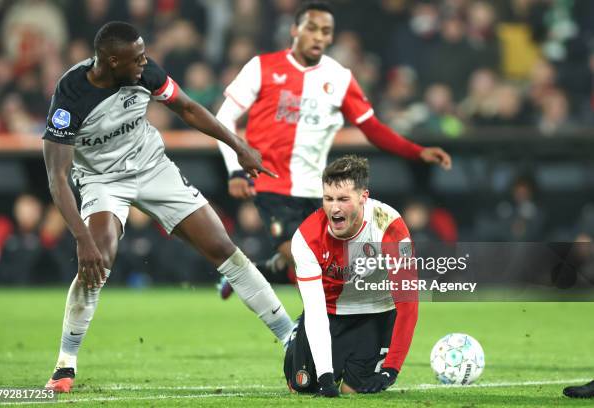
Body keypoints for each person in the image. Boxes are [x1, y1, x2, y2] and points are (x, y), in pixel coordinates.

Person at [42, 21, 295, 393]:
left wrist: (238, 146)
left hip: (152, 166)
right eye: (137, 58)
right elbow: (56, 177)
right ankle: (65, 365)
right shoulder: (70, 95)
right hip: (101, 180)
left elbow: (188, 109)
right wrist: (81, 237)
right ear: (112, 61)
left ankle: (291, 338)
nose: (145, 63)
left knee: (222, 247)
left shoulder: (145, 72)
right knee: (100, 256)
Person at [216, 0, 451, 298]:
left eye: (326, 31)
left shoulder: (339, 77)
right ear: (294, 30)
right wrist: (235, 169)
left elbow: (372, 128)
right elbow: (223, 118)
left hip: (317, 190)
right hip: (271, 184)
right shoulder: (262, 67)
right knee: (308, 264)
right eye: (311, 28)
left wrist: (416, 151)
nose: (319, 36)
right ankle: (305, 334)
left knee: (329, 267)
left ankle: (255, 274)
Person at [283, 155, 418, 396]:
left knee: (353, 391)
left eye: (343, 199)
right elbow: (315, 309)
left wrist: (391, 368)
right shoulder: (306, 238)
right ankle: (298, 339)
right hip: (330, 313)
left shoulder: (390, 227)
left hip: (376, 313)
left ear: (363, 197)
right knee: (302, 387)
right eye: (328, 199)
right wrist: (324, 377)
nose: (334, 207)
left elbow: (408, 302)